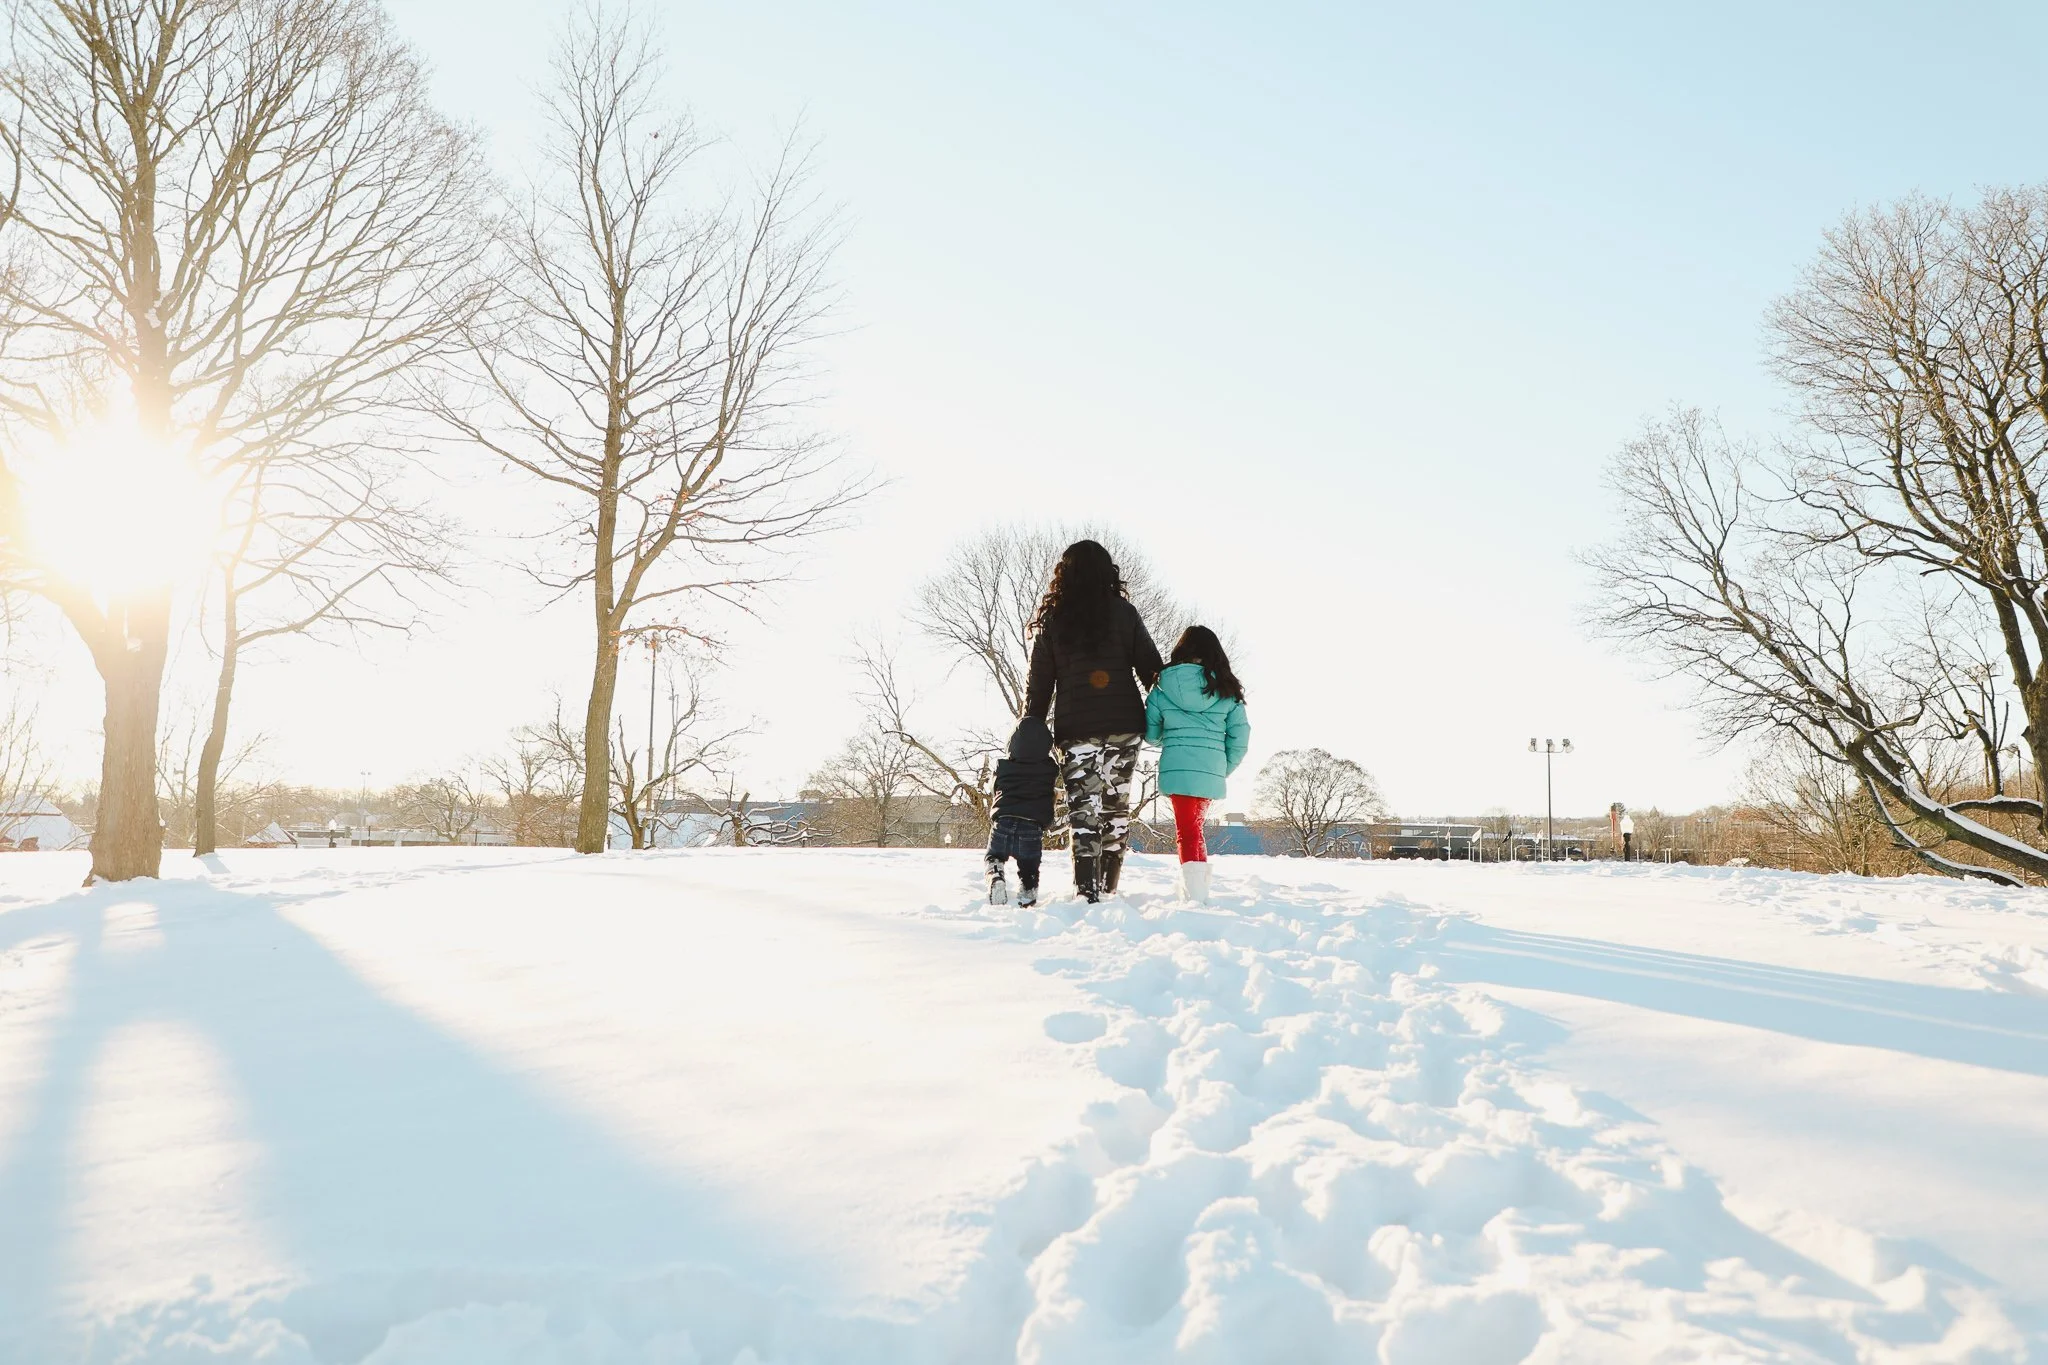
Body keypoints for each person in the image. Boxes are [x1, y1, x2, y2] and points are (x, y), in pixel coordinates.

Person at [1024, 540, 1164, 902]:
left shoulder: (1054, 620)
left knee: (1083, 809)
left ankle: (1087, 889)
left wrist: (1031, 726)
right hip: (1124, 725)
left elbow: (1040, 684)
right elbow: (1151, 669)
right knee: (1116, 806)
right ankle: (1110, 886)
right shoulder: (1124, 613)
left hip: (1076, 729)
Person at [1145, 626, 1249, 904]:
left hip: (1177, 770)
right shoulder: (1226, 689)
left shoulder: (1162, 687)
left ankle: (1195, 896)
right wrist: (1220, 769)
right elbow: (1240, 739)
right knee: (1194, 829)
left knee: (1188, 832)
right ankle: (1197, 892)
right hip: (1211, 770)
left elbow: (1152, 735)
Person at [986, 716, 1055, 907]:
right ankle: (1028, 893)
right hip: (1031, 826)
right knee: (1029, 867)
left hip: (1004, 821)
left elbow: (995, 789)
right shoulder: (1049, 769)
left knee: (994, 856)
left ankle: (996, 875)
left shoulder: (1003, 766)